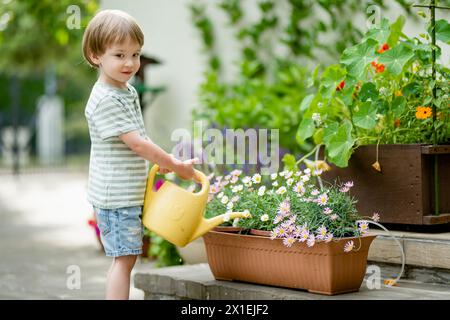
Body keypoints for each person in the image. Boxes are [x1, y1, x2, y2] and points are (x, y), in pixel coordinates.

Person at [82, 9, 197, 300]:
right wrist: (173, 163)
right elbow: (138, 144)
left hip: (124, 194)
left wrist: (161, 163)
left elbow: (141, 137)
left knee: (126, 259)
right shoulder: (106, 99)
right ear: (96, 56)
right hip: (115, 197)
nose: (130, 63)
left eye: (135, 54)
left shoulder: (126, 91)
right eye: (120, 55)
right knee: (124, 261)